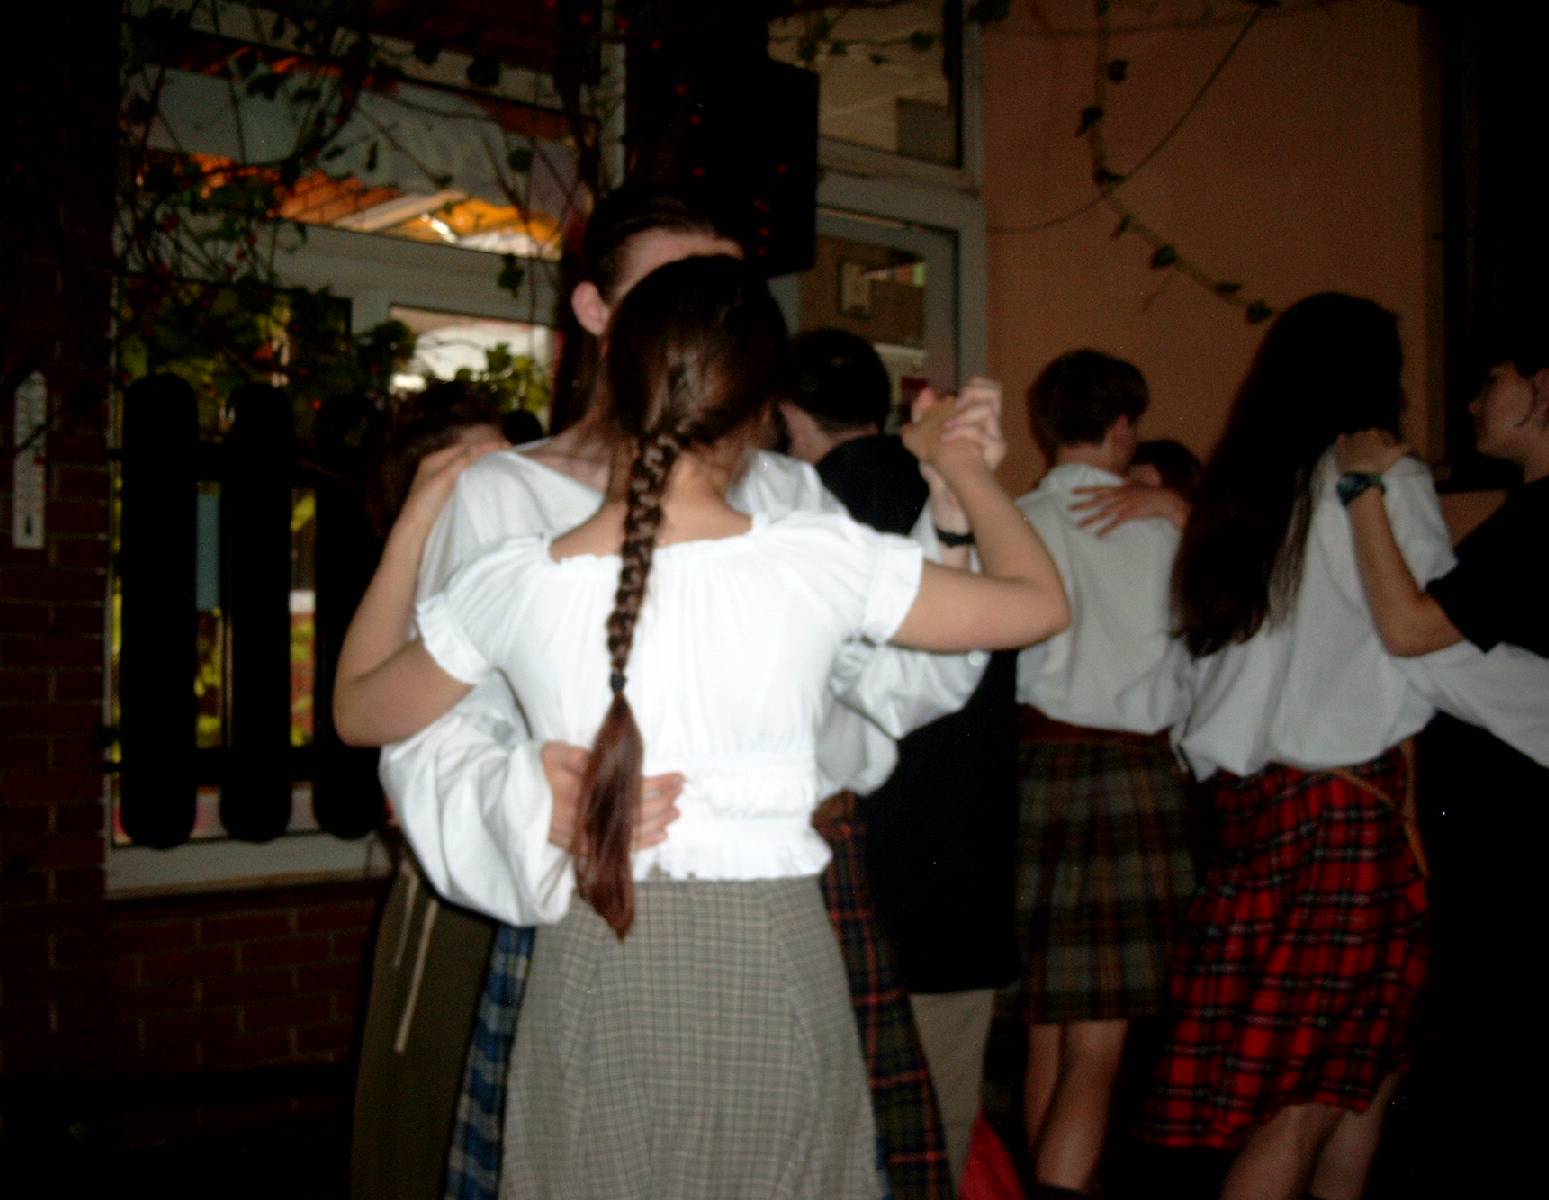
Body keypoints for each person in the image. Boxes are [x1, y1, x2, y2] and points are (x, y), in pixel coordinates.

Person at [334, 254, 1071, 1199]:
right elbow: (1038, 601)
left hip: (596, 944)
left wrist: (414, 525)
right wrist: (960, 469)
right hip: (775, 951)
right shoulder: (817, 556)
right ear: (764, 411)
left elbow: (358, 710)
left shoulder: (515, 579)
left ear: (615, 378)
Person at [1139, 294, 1445, 1200]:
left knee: (1356, 1074)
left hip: (1252, 805)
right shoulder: (1381, 481)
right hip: (1346, 807)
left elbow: (1189, 673)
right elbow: (1435, 638)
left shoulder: (1238, 495)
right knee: (1316, 1093)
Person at [779, 328, 1022, 1189]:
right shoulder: (969, 496)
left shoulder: (792, 520)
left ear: (786, 415)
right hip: (963, 867)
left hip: (845, 873)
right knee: (935, 1134)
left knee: (818, 1131)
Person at [1333, 334, 1549, 1194]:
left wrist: (1361, 491)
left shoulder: (1542, 522)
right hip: (1506, 835)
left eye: (1493, 381)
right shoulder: (1527, 518)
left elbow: (1412, 627)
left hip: (1520, 844)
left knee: (1494, 1076)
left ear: (1545, 387)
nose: (1472, 402)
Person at [1008, 351, 1197, 1200]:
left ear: (1046, 426)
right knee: (1099, 1044)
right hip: (1130, 775)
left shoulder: (1016, 520)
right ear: (1125, 429)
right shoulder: (1164, 531)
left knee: (1045, 1031)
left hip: (1033, 774)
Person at [349, 382, 509, 1200]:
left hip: (549, 901)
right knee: (425, 1125)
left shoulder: (536, 570)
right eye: (477, 471)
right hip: (453, 908)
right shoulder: (425, 594)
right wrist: (414, 523)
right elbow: (357, 711)